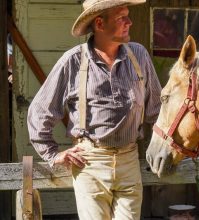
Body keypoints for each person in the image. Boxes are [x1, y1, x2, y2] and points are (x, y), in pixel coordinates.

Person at [27, 0, 162, 219]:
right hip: (90, 163)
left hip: (129, 160)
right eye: (121, 18)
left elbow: (156, 109)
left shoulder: (139, 55)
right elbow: (39, 112)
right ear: (100, 23)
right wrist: (52, 154)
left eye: (128, 15)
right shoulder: (73, 61)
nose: (129, 22)